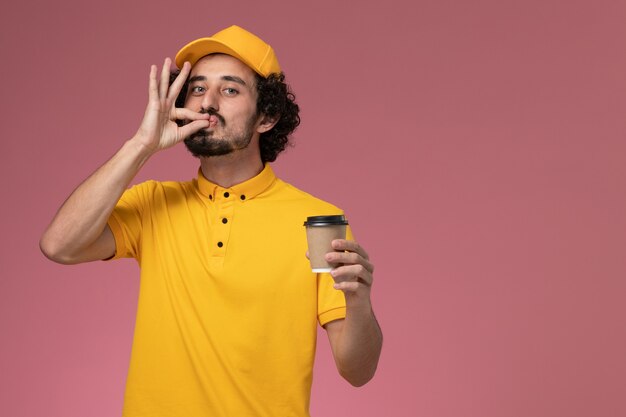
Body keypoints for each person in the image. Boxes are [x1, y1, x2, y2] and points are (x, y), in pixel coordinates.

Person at [40, 25, 382, 417]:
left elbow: (358, 371)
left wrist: (359, 302)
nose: (207, 102)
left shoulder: (315, 221)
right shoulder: (153, 202)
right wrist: (140, 146)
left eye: (230, 90)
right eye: (198, 89)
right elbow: (59, 245)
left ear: (266, 116)